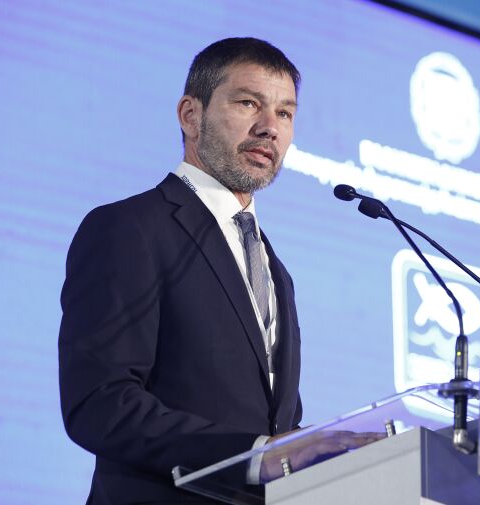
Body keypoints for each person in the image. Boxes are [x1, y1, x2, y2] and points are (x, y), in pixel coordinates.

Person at [58, 38, 376, 505]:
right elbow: (99, 403)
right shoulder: (130, 228)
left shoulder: (275, 270)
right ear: (191, 115)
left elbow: (274, 427)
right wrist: (256, 455)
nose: (270, 128)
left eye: (285, 113)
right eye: (248, 103)